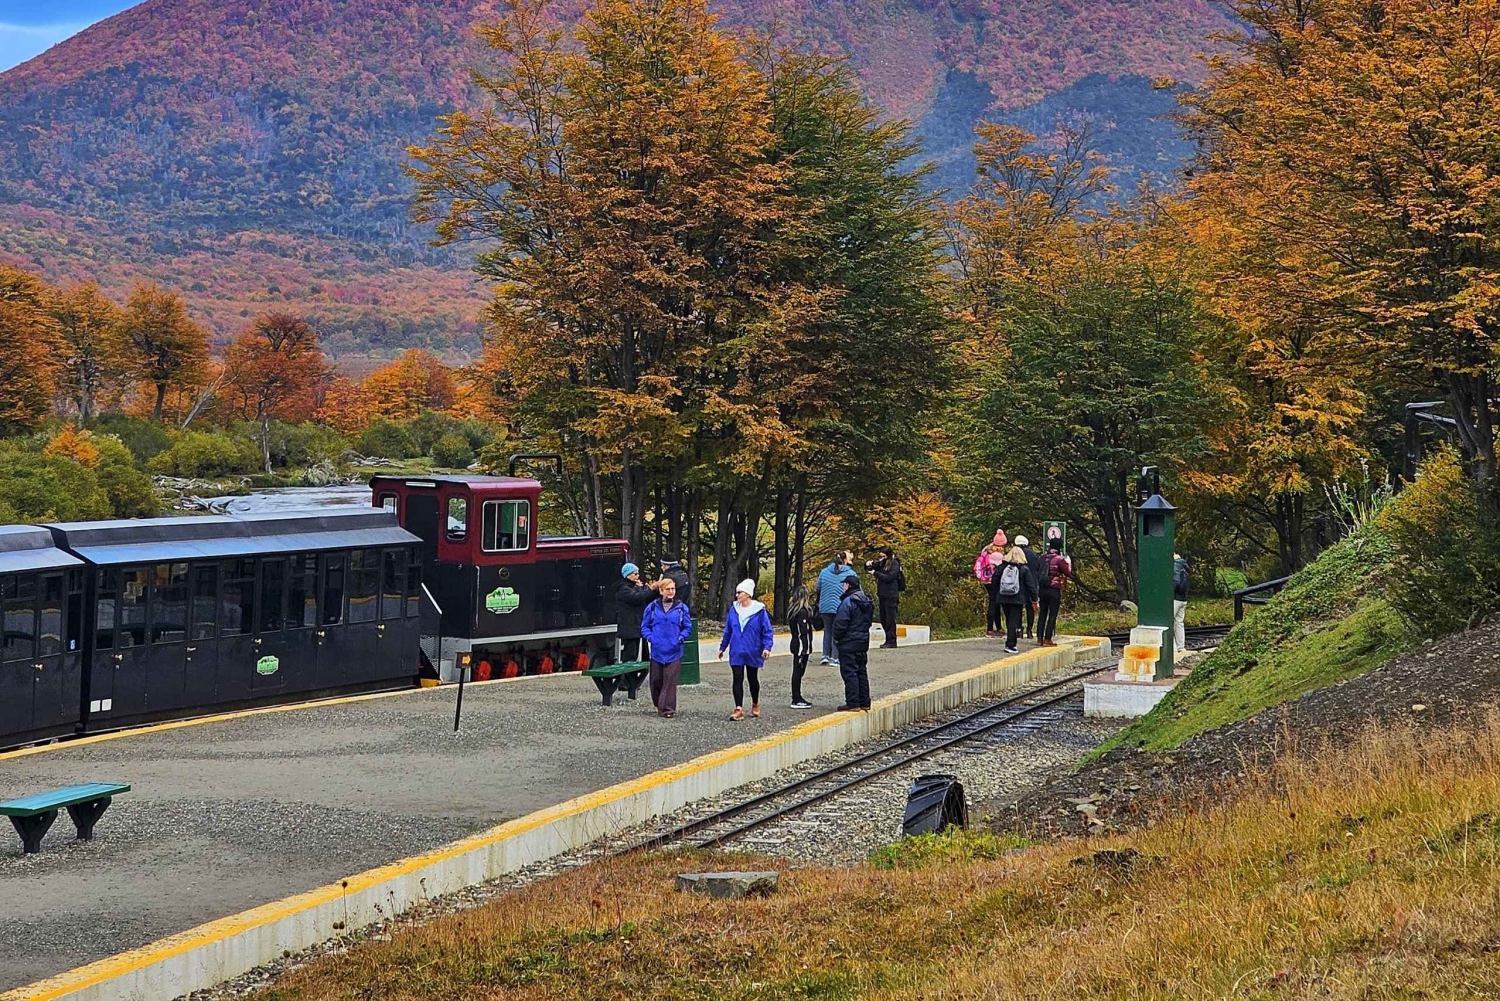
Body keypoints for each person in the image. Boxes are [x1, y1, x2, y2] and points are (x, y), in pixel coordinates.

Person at [719, 579, 775, 720]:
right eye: (737, 592)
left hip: (753, 649)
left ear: (748, 594)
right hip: (737, 650)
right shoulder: (734, 609)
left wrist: (767, 648)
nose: (737, 595)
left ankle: (755, 703)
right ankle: (738, 708)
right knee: (737, 678)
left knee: (752, 678)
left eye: (740, 592)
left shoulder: (759, 611)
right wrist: (722, 647)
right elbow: (728, 630)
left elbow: (767, 631)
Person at [640, 576, 692, 718]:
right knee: (656, 680)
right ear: (661, 591)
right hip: (657, 650)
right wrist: (651, 638)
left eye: (673, 589)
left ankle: (668, 709)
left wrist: (680, 638)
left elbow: (687, 627)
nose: (671, 591)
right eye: (667, 589)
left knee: (670, 681)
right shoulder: (651, 608)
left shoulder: (682, 608)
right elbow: (644, 627)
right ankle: (659, 704)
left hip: (674, 650)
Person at [832, 574, 875, 711]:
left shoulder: (847, 602)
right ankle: (865, 701)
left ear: (848, 585)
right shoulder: (867, 601)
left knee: (849, 672)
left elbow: (841, 623)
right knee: (861, 672)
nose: (843, 586)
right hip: (863, 642)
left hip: (848, 643)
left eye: (844, 584)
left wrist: (837, 637)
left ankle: (853, 702)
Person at [815, 552, 857, 666]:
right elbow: (857, 588)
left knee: (827, 631)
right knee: (837, 632)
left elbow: (817, 588)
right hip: (840, 607)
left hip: (825, 606)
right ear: (845, 561)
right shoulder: (850, 573)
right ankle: (835, 657)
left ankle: (825, 656)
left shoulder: (824, 572)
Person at [994, 545, 1037, 654]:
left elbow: (994, 580)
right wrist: (1034, 599)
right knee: (1014, 621)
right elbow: (1030, 585)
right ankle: (1010, 644)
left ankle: (1010, 641)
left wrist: (997, 593)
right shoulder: (1023, 569)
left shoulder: (1002, 567)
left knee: (1009, 620)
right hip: (1017, 599)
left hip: (1003, 598)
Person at [615, 563, 656, 662]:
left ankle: (639, 675)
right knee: (630, 655)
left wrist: (649, 590)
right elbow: (637, 597)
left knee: (644, 654)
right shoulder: (624, 588)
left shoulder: (634, 587)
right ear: (627, 575)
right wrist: (650, 589)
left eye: (638, 574)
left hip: (637, 625)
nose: (638, 576)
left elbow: (644, 598)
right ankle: (627, 677)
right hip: (630, 627)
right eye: (635, 574)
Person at [1037, 537, 1072, 646]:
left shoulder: (1042, 557)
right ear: (1059, 547)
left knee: (1042, 612)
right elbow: (1068, 572)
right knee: (1052, 613)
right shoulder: (1060, 559)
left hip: (1042, 588)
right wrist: (1068, 562)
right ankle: (1048, 638)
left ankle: (1039, 638)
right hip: (1054, 588)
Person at [868, 547, 905, 648]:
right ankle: (888, 639)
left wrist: (875, 573)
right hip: (882, 594)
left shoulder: (895, 564)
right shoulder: (882, 563)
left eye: (883, 555)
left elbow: (889, 577)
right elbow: (871, 567)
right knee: (883, 618)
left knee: (890, 618)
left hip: (891, 595)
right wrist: (869, 564)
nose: (882, 557)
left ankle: (892, 640)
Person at [787, 584, 817, 709]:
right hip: (800, 646)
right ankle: (796, 698)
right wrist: (804, 650)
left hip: (796, 644)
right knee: (798, 672)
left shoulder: (793, 611)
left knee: (798, 672)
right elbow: (802, 632)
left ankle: (797, 696)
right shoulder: (802, 612)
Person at [1015, 535, 1045, 640]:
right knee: (1030, 607)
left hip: (1018, 585)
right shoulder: (1033, 554)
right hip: (1032, 583)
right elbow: (1039, 568)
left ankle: (1019, 629)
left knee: (1018, 608)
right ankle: (1029, 630)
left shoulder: (1014, 553)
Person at [1173, 552, 1191, 655]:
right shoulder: (1184, 565)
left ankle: (1173, 649)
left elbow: (1175, 581)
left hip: (1175, 598)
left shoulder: (1175, 565)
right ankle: (1181, 647)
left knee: (1169, 623)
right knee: (1179, 623)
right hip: (1183, 598)